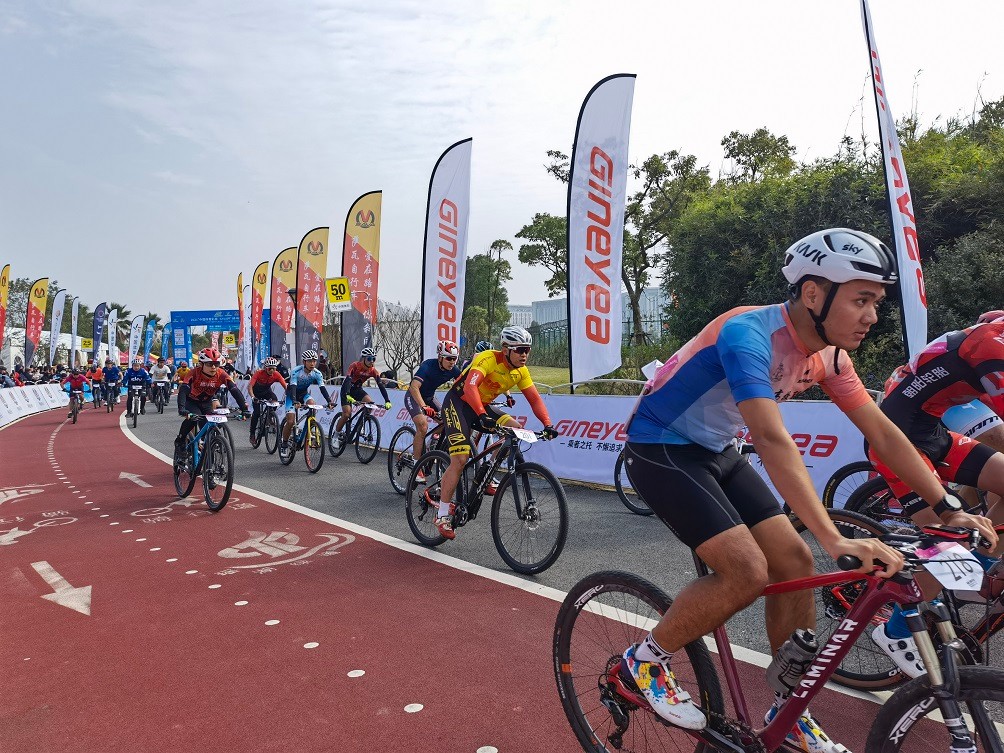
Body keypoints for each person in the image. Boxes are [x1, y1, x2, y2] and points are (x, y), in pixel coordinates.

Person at [615, 228, 996, 749]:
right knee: (746, 571)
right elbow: (772, 440)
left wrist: (947, 506)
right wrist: (834, 538)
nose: (872, 316)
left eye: (877, 302)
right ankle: (642, 664)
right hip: (660, 445)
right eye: (861, 300)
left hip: (716, 448)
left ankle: (788, 710)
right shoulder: (747, 333)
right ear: (813, 293)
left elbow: (885, 432)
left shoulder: (831, 357)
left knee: (795, 562)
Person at [870, 311, 1004, 678]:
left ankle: (975, 564)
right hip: (896, 441)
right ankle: (895, 631)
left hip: (932, 431)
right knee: (947, 547)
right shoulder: (992, 346)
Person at [433, 326, 558, 540]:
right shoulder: (488, 359)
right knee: (460, 459)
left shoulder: (521, 371)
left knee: (516, 430)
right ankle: (442, 514)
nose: (525, 354)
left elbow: (535, 399)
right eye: (520, 350)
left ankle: (488, 469)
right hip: (458, 404)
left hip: (482, 406)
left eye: (527, 350)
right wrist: (482, 415)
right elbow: (470, 387)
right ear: (506, 349)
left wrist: (548, 424)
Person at [404, 340, 462, 480]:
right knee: (423, 426)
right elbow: (414, 387)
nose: (452, 362)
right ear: (440, 357)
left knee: (447, 421)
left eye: (454, 358)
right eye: (449, 358)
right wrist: (424, 407)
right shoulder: (428, 366)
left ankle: (432, 442)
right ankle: (417, 466)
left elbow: (464, 388)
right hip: (414, 397)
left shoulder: (454, 370)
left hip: (430, 398)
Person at [174, 348, 250, 449]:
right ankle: (180, 440)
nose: (213, 367)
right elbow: (183, 390)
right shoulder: (193, 373)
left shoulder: (221, 374)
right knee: (193, 419)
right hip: (191, 401)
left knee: (209, 428)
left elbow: (234, 390)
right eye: (209, 364)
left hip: (207, 402)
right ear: (202, 364)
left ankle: (207, 449)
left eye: (216, 364)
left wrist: (244, 409)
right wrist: (182, 408)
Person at [332, 347, 392, 438]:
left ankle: (361, 426)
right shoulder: (355, 366)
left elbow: (380, 385)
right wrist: (347, 395)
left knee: (370, 404)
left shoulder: (373, 371)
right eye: (369, 358)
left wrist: (387, 400)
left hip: (357, 390)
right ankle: (336, 435)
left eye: (373, 359)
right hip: (346, 390)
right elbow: (348, 380)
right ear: (363, 358)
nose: (372, 361)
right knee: (347, 414)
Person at [281, 350, 334, 449]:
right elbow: (293, 387)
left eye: (314, 361)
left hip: (303, 394)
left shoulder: (317, 373)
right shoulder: (296, 371)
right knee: (291, 422)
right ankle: (284, 443)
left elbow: (322, 388)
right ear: (304, 362)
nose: (312, 364)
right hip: (291, 395)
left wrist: (329, 401)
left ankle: (310, 430)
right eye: (309, 361)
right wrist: (294, 401)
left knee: (312, 404)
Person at [248, 357, 288, 441]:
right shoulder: (258, 373)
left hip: (266, 391)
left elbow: (285, 386)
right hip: (256, 393)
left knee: (275, 400)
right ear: (265, 368)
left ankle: (269, 417)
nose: (272, 370)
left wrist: (290, 395)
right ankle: (252, 433)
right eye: (270, 369)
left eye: (274, 368)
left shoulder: (276, 374)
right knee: (256, 413)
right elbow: (250, 386)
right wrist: (252, 397)